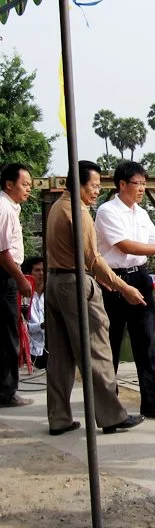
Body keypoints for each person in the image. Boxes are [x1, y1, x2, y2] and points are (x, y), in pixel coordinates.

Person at [45, 160, 147, 436]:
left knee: (60, 356)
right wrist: (122, 286)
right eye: (94, 186)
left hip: (54, 282)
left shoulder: (57, 207)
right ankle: (111, 415)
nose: (97, 191)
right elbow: (93, 258)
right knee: (98, 349)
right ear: (78, 185)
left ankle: (59, 417)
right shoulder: (79, 213)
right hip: (75, 283)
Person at [94, 160, 155, 419]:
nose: (142, 188)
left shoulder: (141, 214)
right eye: (137, 183)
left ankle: (152, 401)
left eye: (144, 183)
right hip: (114, 281)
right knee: (111, 343)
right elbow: (125, 246)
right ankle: (109, 402)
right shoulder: (107, 211)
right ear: (122, 184)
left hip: (140, 278)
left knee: (146, 341)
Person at [0, 163, 33, 408]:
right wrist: (21, 279)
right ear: (9, 184)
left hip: (8, 275)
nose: (28, 189)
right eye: (24, 184)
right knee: (7, 335)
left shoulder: (12, 208)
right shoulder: (4, 209)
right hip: (4, 277)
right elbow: (2, 252)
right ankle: (6, 390)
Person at [21, 256, 46, 370]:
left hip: (48, 349)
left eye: (43, 270)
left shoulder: (51, 294)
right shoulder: (23, 297)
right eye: (37, 270)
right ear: (29, 273)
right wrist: (41, 326)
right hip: (29, 351)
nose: (41, 273)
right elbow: (22, 326)